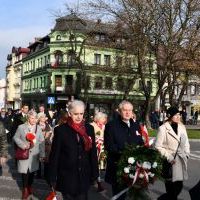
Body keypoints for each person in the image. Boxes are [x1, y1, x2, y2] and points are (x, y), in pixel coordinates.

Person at [48, 100, 99, 200]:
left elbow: (92, 153)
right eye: (76, 114)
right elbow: (55, 155)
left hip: (84, 175)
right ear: (70, 114)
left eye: (81, 113)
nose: (79, 117)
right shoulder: (61, 130)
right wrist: (52, 176)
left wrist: (95, 173)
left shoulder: (89, 129)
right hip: (67, 176)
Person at [104, 100, 144, 200]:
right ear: (119, 111)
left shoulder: (136, 125)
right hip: (118, 166)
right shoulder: (111, 126)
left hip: (134, 166)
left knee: (133, 195)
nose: (127, 113)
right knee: (119, 195)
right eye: (125, 110)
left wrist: (142, 148)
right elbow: (109, 146)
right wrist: (125, 153)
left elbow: (140, 141)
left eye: (130, 110)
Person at [155, 107, 190, 200]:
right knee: (171, 189)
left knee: (179, 186)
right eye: (176, 115)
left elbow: (186, 142)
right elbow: (158, 146)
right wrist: (169, 157)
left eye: (179, 114)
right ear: (170, 116)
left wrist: (186, 154)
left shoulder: (182, 127)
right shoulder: (163, 128)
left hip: (180, 160)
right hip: (169, 162)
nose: (178, 117)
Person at [13, 111, 45, 200]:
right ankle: (25, 189)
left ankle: (30, 186)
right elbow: (15, 137)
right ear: (28, 118)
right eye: (32, 118)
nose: (34, 120)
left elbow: (42, 142)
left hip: (34, 154)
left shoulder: (38, 128)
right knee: (25, 173)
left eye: (35, 118)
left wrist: (42, 154)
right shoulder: (21, 127)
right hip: (24, 153)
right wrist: (23, 145)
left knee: (32, 172)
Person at [90, 112, 108, 192]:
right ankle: (98, 183)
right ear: (98, 118)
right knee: (94, 166)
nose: (105, 120)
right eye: (103, 118)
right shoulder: (91, 125)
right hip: (93, 149)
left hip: (102, 150)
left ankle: (96, 180)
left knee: (99, 167)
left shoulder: (104, 126)